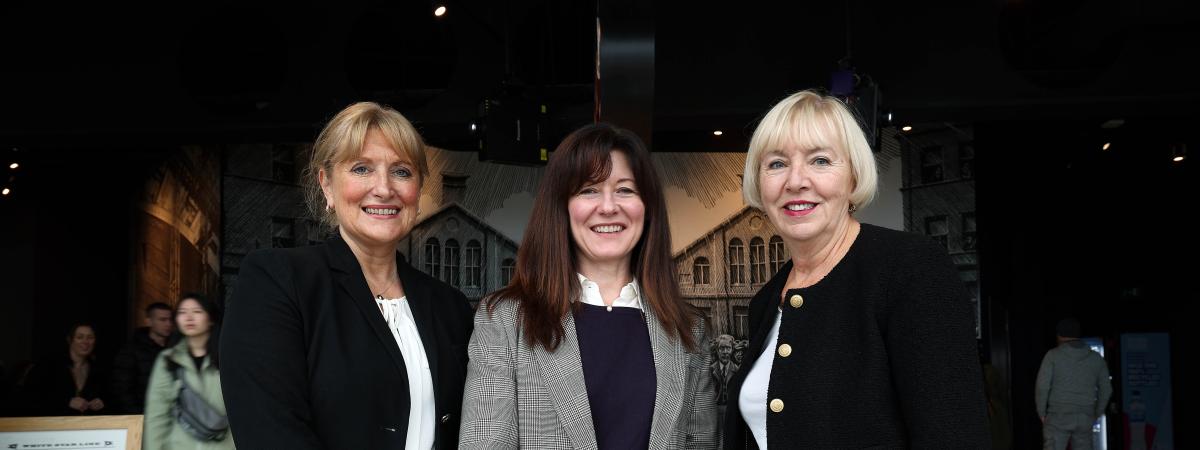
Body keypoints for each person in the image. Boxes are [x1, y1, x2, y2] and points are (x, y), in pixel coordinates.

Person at [723, 90, 990, 448]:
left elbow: (955, 438)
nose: (795, 180)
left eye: (819, 160)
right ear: (759, 183)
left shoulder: (910, 270)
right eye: (776, 164)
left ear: (852, 176)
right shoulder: (767, 300)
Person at [221, 102, 474, 449]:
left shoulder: (451, 307)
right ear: (327, 185)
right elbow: (271, 435)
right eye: (361, 168)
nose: (384, 189)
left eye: (402, 171)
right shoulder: (278, 282)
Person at [459, 123, 718, 449]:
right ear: (561, 207)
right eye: (588, 190)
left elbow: (700, 443)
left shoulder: (688, 330)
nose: (608, 206)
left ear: (647, 207)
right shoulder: (505, 321)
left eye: (626, 190)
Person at [143, 294, 232, 449]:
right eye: (182, 312)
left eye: (197, 312)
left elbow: (242, 411)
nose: (189, 317)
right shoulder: (168, 359)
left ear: (210, 319)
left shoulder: (229, 358)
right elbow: (157, 415)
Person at [1035, 318, 1112, 450]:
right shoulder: (1096, 358)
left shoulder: (1053, 356)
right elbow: (1107, 389)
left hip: (1058, 416)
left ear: (1059, 335)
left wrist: (1041, 412)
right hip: (1085, 416)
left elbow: (1042, 386)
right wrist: (1097, 412)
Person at [25, 323, 109, 416]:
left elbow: (110, 398)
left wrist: (102, 402)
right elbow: (30, 397)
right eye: (80, 337)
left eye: (90, 337)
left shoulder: (98, 369)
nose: (85, 341)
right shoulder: (49, 364)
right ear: (70, 340)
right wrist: (66, 402)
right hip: (52, 425)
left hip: (85, 426)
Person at [110, 301, 173, 414]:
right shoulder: (131, 350)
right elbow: (122, 388)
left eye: (170, 320)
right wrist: (139, 415)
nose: (168, 324)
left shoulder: (176, 349)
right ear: (149, 321)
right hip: (142, 416)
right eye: (162, 320)